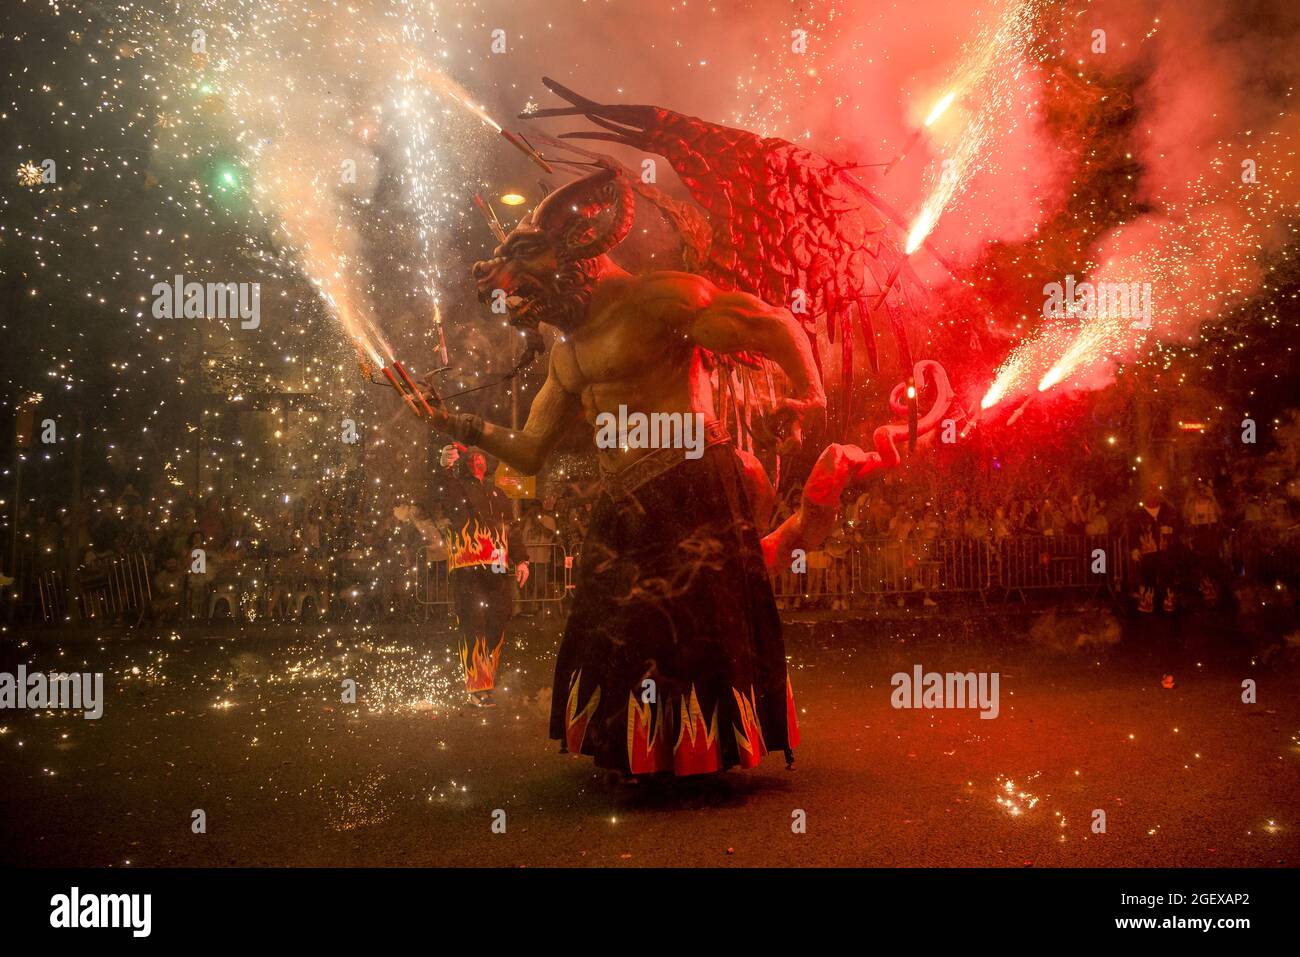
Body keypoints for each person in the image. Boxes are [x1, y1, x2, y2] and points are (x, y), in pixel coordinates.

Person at [421, 168, 822, 776]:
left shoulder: (661, 297)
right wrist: (455, 423)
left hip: (692, 483)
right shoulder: (566, 353)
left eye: (526, 278)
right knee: (620, 634)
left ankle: (701, 755)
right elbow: (529, 449)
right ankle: (649, 753)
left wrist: (810, 397)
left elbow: (771, 324)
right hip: (622, 502)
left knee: (694, 634)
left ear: (575, 256)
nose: (518, 301)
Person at [432, 444, 529, 707]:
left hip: (497, 565)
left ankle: (488, 680)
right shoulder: (458, 487)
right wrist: (444, 469)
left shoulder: (497, 492)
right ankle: (477, 687)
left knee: (497, 619)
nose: (478, 458)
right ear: (466, 462)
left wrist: (522, 560)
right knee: (473, 623)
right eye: (473, 455)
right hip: (469, 564)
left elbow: (512, 528)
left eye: (482, 455)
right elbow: (446, 499)